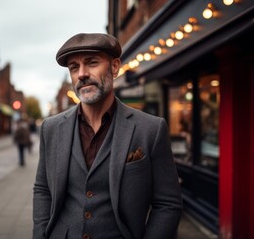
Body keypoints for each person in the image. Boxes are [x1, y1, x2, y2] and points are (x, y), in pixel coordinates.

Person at [33, 33, 182, 238]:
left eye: (92, 63)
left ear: (114, 67)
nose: (82, 74)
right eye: (74, 67)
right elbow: (43, 189)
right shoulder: (51, 128)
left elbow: (168, 204)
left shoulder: (151, 129)